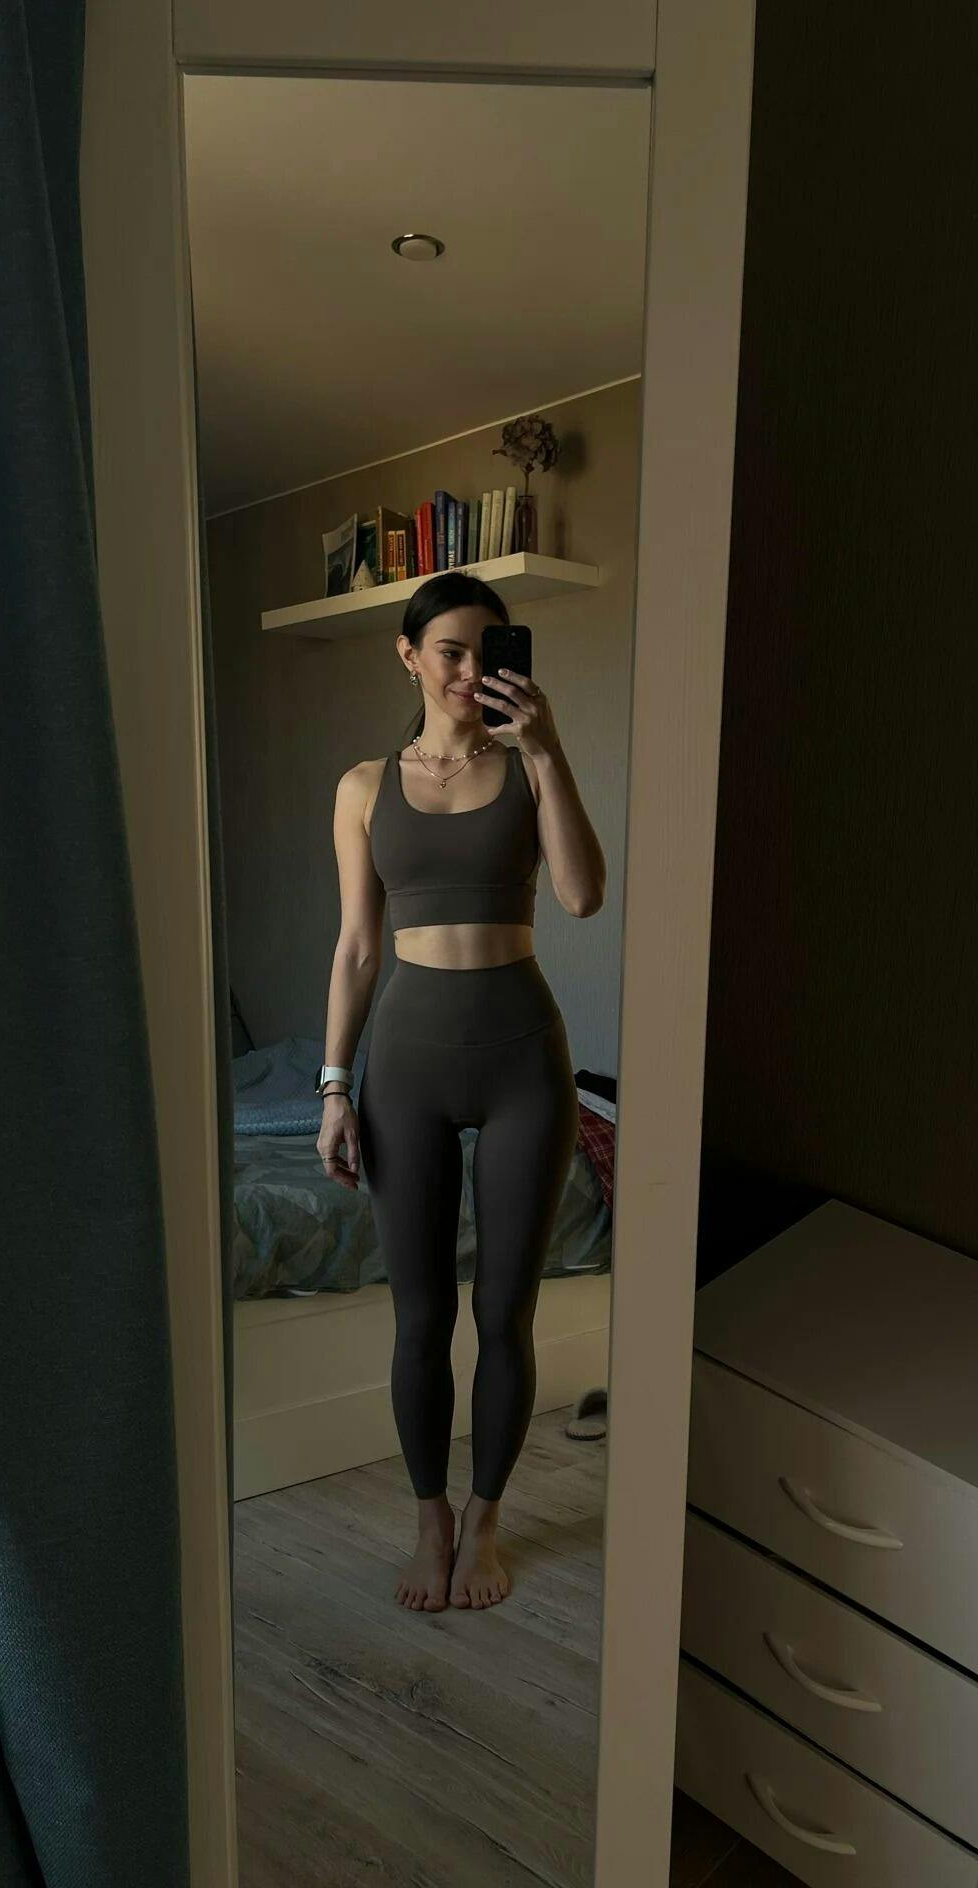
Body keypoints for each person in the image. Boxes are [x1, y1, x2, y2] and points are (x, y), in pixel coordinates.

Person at [315, 572, 606, 1612]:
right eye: (451, 649)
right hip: (405, 1064)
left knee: (506, 1310)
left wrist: (547, 749)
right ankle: (431, 1517)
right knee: (421, 1314)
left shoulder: (530, 766)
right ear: (408, 654)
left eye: (490, 648)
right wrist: (333, 1086)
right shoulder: (363, 786)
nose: (472, 669)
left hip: (523, 1058)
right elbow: (357, 948)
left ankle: (486, 1520)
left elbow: (581, 893)